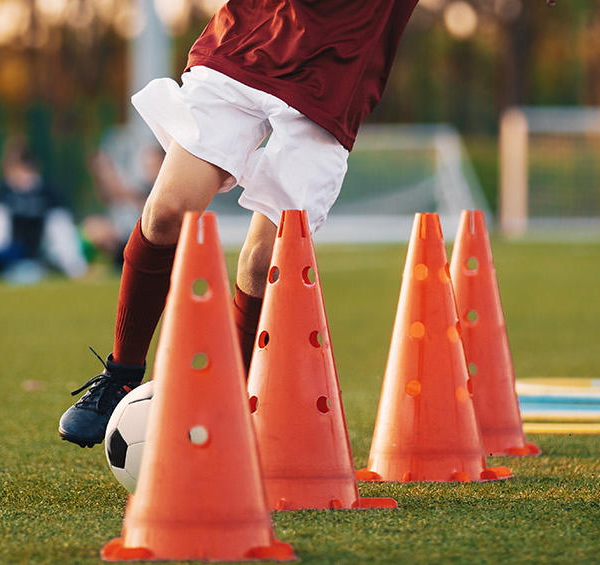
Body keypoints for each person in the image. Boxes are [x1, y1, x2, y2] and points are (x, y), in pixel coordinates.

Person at [59, 0, 423, 447]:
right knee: (166, 213)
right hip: (248, 39)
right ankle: (122, 375)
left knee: (262, 262)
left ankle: (225, 403)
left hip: (333, 74)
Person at [0, 143, 87, 278]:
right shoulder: (0, 193)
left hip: (43, 251)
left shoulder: (49, 192)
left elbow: (63, 231)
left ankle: (75, 269)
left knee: (58, 221)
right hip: (10, 255)